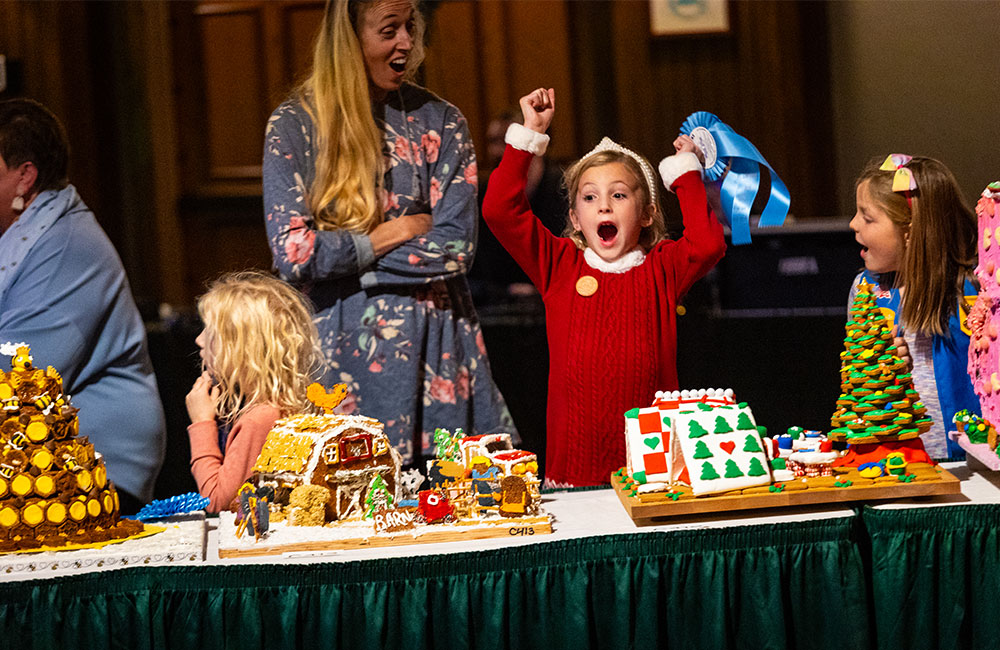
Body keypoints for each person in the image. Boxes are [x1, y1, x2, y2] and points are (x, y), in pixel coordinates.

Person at [262, 0, 514, 467]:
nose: (406, 42)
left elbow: (457, 248)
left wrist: (344, 261)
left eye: (411, 27)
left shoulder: (441, 121)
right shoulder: (295, 126)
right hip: (336, 361)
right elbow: (294, 252)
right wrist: (391, 234)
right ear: (350, 37)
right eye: (389, 29)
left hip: (436, 351)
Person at [482, 88, 726, 487]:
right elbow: (499, 211)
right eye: (590, 197)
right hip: (573, 470)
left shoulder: (662, 269)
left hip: (652, 471)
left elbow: (708, 244)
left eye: (619, 195)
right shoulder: (559, 266)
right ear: (576, 218)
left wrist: (686, 174)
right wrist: (528, 137)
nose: (604, 207)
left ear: (647, 213)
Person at [0, 98, 165, 513]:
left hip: (93, 464)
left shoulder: (66, 245)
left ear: (24, 177)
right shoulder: (27, 238)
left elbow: (23, 375)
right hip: (35, 461)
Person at [848, 154, 978, 460]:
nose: (853, 224)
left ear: (910, 231)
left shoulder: (972, 291)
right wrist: (882, 368)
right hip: (893, 463)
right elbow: (854, 385)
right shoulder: (865, 290)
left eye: (867, 218)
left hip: (970, 466)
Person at [186, 270, 323, 513]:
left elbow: (218, 502)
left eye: (211, 332)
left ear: (242, 350)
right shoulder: (276, 409)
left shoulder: (259, 420)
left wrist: (202, 423)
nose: (199, 339)